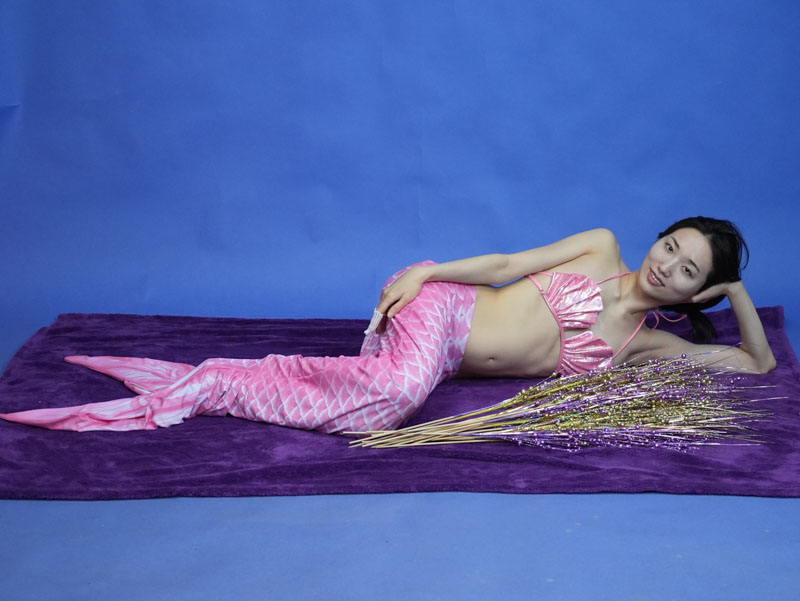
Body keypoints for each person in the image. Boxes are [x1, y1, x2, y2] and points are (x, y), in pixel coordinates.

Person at [0, 216, 776, 434]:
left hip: (444, 363)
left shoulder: (646, 345)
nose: (667, 265)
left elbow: (756, 366)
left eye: (689, 271)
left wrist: (736, 289)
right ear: (656, 239)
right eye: (671, 246)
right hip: (443, 308)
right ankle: (215, 385)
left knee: (399, 391)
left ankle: (232, 377)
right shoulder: (602, 248)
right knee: (397, 397)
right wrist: (427, 273)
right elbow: (506, 263)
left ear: (697, 293)